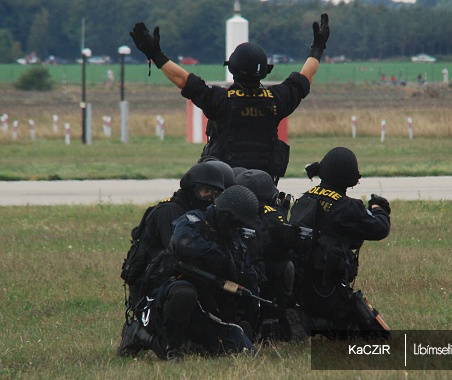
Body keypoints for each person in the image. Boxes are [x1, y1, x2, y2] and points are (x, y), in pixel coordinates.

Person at [129, 14, 330, 183]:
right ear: (264, 72)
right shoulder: (276, 99)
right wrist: (318, 48)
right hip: (265, 185)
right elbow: (305, 78)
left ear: (233, 69)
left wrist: (156, 54)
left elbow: (183, 80)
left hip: (225, 185)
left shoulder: (220, 100)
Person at [118, 162, 225, 357]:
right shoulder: (170, 212)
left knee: (211, 346)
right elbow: (180, 256)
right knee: (184, 295)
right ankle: (144, 334)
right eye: (205, 191)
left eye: (215, 193)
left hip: (172, 279)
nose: (210, 197)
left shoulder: (199, 215)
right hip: (150, 287)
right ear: (192, 189)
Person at [145, 185, 261, 361]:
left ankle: (196, 341)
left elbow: (247, 271)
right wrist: (222, 260)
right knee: (183, 293)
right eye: (236, 222)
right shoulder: (193, 220)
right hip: (172, 295)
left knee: (245, 352)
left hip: (210, 307)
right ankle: (170, 345)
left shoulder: (234, 238)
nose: (238, 227)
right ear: (226, 215)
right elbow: (185, 245)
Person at [288, 147, 391, 338]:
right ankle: (306, 322)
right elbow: (380, 229)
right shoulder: (347, 207)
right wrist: (379, 208)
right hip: (328, 290)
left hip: (298, 287)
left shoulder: (304, 199)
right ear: (351, 177)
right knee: (371, 331)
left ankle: (301, 315)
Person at [235, 169, 307, 342]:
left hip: (240, 275)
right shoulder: (274, 213)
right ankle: (274, 320)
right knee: (287, 268)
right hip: (270, 280)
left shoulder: (233, 210)